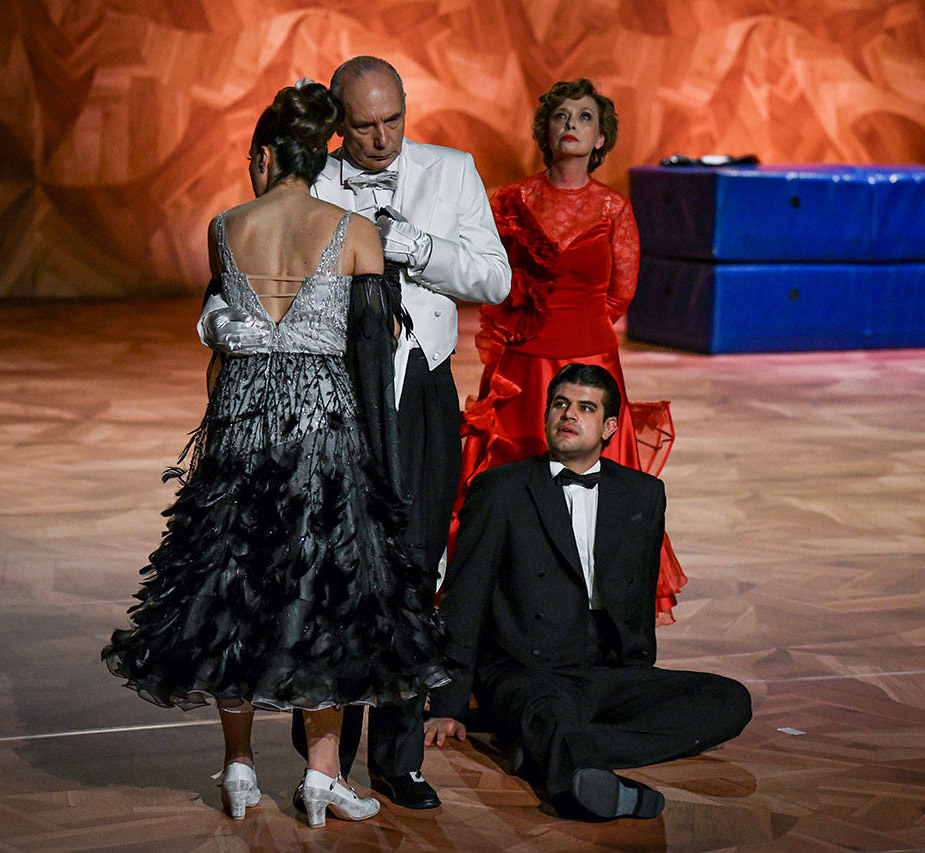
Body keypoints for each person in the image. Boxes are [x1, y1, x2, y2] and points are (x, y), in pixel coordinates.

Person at [103, 82, 449, 828]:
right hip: (323, 429)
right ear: (320, 154)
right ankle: (323, 779)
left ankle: (238, 766)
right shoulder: (355, 232)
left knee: (232, 587)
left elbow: (221, 339)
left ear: (264, 156)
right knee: (326, 593)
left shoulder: (226, 227)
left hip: (241, 425)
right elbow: (374, 351)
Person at [286, 55, 511, 811]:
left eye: (394, 120)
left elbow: (495, 279)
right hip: (339, 391)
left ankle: (399, 758)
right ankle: (328, 761)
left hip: (422, 389)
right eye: (364, 126)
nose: (382, 139)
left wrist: (417, 247)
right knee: (335, 568)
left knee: (415, 565)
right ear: (337, 123)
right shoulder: (312, 182)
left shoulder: (452, 171)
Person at [426, 364, 752, 820]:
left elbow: (638, 596)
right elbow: (465, 598)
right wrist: (448, 704)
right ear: (546, 415)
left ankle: (550, 747)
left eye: (585, 408)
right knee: (548, 713)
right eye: (560, 404)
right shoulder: (501, 490)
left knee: (729, 701)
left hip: (606, 671)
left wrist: (635, 671)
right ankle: (583, 771)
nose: (569, 415)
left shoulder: (642, 494)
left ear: (609, 427)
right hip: (528, 670)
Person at [455, 78, 685, 625]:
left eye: (585, 117)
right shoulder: (509, 200)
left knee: (597, 481)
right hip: (522, 364)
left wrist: (575, 328)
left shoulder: (613, 208)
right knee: (515, 475)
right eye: (561, 115)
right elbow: (489, 277)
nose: (572, 125)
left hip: (591, 358)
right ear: (546, 130)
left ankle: (597, 611)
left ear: (601, 137)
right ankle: (509, 607)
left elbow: (621, 292)